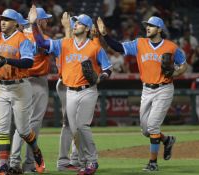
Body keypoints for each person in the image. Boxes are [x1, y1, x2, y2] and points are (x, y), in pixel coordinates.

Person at [29, 5, 112, 175]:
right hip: (70, 91)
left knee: (82, 126)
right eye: (74, 23)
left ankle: (92, 161)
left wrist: (100, 78)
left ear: (87, 28)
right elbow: (42, 42)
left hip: (88, 90)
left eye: (79, 23)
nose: (75, 25)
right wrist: (33, 25)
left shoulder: (95, 48)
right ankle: (83, 163)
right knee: (74, 130)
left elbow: (108, 68)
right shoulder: (63, 43)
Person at [97, 16, 188, 171]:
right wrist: (105, 35)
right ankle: (166, 140)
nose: (147, 27)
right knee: (146, 130)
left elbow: (183, 65)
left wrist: (175, 73)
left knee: (153, 126)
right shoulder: (140, 43)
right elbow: (118, 47)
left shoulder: (171, 47)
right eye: (147, 25)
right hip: (146, 89)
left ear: (159, 29)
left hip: (164, 88)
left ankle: (153, 163)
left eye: (151, 26)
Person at [0, 9, 45, 174]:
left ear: (16, 23)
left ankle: (35, 150)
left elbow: (28, 62)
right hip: (0, 86)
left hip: (20, 87)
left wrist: (6, 60)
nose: (3, 22)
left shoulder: (22, 39)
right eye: (2, 19)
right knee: (2, 128)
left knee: (23, 130)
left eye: (7, 19)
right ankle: (3, 164)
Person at [8, 7, 53, 173]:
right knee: (31, 125)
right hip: (37, 84)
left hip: (18, 82)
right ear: (39, 20)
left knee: (19, 124)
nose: (47, 22)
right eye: (45, 19)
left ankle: (13, 162)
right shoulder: (44, 38)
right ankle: (28, 164)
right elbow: (45, 47)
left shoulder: (18, 37)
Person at [56, 15, 80, 172]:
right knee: (71, 123)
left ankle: (74, 158)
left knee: (76, 123)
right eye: (75, 26)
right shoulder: (64, 43)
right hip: (67, 84)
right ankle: (68, 160)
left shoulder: (80, 44)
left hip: (74, 84)